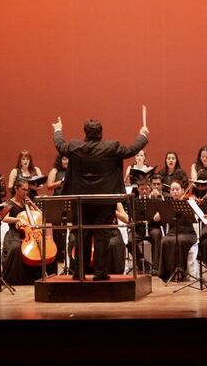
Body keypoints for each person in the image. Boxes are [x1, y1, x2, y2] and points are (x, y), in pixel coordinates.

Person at [52, 116, 149, 281]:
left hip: (81, 201)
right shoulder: (111, 147)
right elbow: (131, 150)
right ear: (100, 132)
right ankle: (100, 273)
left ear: (85, 133)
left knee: (81, 236)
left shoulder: (76, 146)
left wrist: (58, 129)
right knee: (102, 237)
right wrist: (143, 135)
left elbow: (60, 145)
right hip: (104, 201)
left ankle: (79, 272)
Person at [0, 178, 56, 285]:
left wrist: (32, 205)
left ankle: (43, 274)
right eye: (23, 190)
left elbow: (42, 216)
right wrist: (17, 219)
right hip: (14, 233)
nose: (25, 192)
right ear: (16, 189)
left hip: (29, 233)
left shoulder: (27, 202)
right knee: (16, 248)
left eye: (27, 190)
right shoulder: (9, 203)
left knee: (45, 247)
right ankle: (19, 278)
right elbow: (4, 218)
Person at [156, 180, 197, 282]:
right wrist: (165, 208)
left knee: (180, 241)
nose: (175, 192)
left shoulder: (188, 201)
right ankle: (168, 273)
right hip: (173, 232)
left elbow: (197, 215)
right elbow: (156, 218)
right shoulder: (169, 203)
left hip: (188, 233)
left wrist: (192, 203)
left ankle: (180, 272)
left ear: (183, 190)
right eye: (172, 189)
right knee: (165, 241)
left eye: (177, 189)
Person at [126, 178, 159, 274]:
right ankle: (143, 264)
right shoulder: (133, 201)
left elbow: (160, 220)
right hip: (138, 229)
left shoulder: (155, 201)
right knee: (130, 241)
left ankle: (156, 267)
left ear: (150, 189)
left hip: (152, 227)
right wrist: (140, 222)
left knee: (157, 235)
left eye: (146, 189)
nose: (144, 191)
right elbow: (131, 218)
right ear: (138, 189)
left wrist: (150, 220)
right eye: (141, 189)